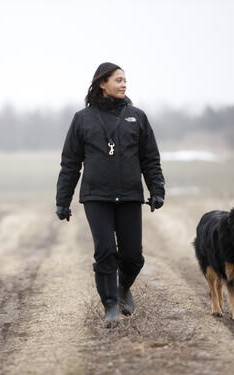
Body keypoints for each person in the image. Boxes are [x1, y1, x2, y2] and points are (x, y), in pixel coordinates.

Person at [55, 62, 165, 326]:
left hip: (129, 196)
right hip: (96, 197)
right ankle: (111, 307)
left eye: (125, 79)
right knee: (105, 253)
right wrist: (63, 201)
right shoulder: (82, 119)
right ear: (102, 83)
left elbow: (150, 158)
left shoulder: (137, 117)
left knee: (133, 257)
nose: (124, 84)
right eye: (118, 79)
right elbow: (70, 163)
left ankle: (122, 287)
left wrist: (157, 189)